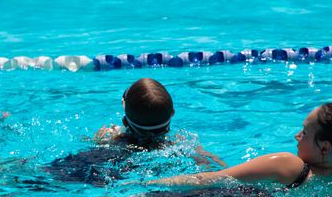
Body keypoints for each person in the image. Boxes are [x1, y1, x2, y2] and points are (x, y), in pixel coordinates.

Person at [150, 102, 332, 190]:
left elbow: (209, 180)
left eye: (304, 132)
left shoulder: (288, 164)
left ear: (324, 148)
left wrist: (148, 184)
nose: (296, 136)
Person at [45, 78, 225, 186]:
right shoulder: (180, 143)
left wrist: (96, 143)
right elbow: (218, 169)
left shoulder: (112, 141)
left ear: (125, 120)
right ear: (172, 113)